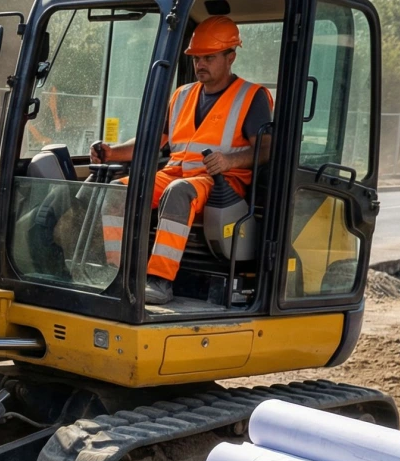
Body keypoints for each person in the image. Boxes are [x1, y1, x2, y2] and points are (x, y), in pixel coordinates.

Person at [89, 16, 272, 304]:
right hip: (177, 174)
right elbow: (151, 144)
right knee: (117, 192)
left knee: (178, 192)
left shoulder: (252, 97)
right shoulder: (182, 95)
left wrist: (229, 161)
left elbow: (265, 151)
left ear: (231, 57)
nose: (200, 64)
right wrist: (112, 152)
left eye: (209, 57)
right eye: (197, 58)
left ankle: (160, 281)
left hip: (222, 183)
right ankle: (118, 274)